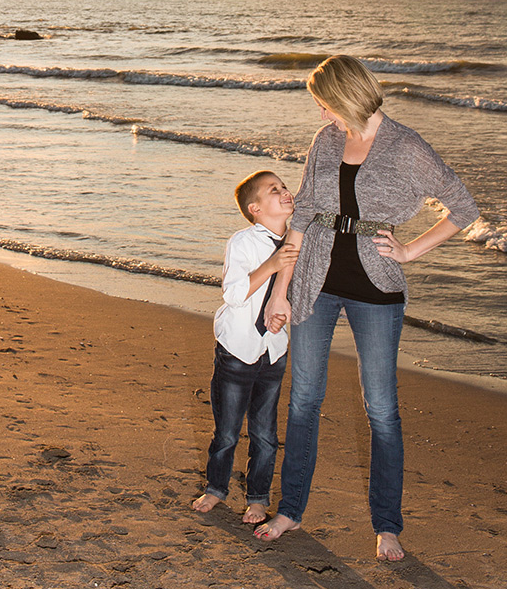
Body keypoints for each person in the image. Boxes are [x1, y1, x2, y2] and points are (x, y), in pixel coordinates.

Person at [254, 55, 479, 562]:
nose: (320, 116)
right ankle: (290, 509)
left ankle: (387, 526)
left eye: (324, 105)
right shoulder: (327, 142)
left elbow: (463, 207)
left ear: (345, 97)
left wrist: (410, 251)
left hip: (377, 292)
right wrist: (280, 289)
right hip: (315, 282)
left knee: (381, 408)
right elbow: (305, 215)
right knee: (304, 400)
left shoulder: (407, 146)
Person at [192, 170, 297, 524]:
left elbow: (295, 294)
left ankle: (258, 497)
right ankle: (216, 488)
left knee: (266, 433)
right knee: (227, 430)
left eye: (284, 187)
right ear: (255, 208)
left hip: (274, 349)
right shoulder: (244, 243)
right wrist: (271, 265)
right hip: (237, 347)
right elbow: (234, 293)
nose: (285, 192)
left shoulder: (298, 242)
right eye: (274, 190)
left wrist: (285, 315)